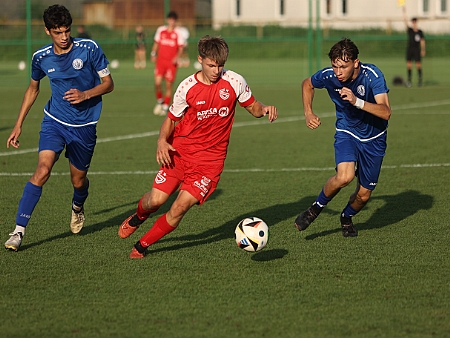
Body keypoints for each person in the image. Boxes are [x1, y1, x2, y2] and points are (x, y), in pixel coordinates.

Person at [118, 35, 278, 259]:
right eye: (211, 65)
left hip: (209, 164)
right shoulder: (187, 87)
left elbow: (253, 107)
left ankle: (142, 245)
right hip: (180, 154)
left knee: (179, 208)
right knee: (155, 201)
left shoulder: (234, 81)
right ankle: (138, 217)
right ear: (200, 60)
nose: (216, 70)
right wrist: (162, 141)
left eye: (220, 65)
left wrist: (265, 109)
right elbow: (172, 119)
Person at [4, 4, 114, 252]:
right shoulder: (41, 57)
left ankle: (77, 207)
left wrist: (86, 94)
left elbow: (108, 83)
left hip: (84, 126)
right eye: (58, 32)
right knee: (42, 170)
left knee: (78, 181)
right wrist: (18, 125)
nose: (64, 37)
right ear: (47, 31)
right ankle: (18, 231)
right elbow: (33, 89)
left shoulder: (89, 49)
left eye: (67, 31)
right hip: (54, 121)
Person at [294, 38, 391, 238]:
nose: (338, 72)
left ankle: (346, 216)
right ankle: (315, 209)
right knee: (345, 176)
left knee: (363, 195)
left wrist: (357, 102)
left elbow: (386, 112)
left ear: (356, 62)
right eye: (335, 66)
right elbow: (307, 84)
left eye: (343, 67)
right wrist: (308, 113)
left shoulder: (373, 76)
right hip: (347, 131)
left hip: (375, 138)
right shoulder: (330, 76)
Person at [150, 11, 185, 116]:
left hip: (171, 64)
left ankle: (165, 107)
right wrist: (153, 53)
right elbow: (156, 43)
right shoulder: (161, 30)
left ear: (175, 21)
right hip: (160, 61)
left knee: (168, 85)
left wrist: (177, 57)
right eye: (170, 19)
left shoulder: (178, 33)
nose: (171, 22)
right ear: (167, 20)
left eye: (174, 20)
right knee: (157, 83)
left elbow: (181, 48)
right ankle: (160, 101)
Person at [402, 7, 425, 87]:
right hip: (410, 49)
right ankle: (409, 81)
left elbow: (422, 41)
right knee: (409, 65)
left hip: (416, 50)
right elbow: (405, 23)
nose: (414, 23)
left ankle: (420, 81)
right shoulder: (410, 31)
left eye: (415, 22)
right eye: (413, 22)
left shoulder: (420, 32)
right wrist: (404, 12)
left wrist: (423, 49)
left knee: (418, 65)